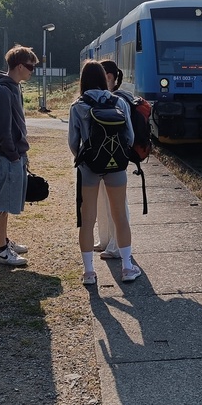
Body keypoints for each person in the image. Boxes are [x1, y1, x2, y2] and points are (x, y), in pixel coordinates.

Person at [69, 60, 140, 284]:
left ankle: (89, 273)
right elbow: (130, 137)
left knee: (88, 219)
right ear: (103, 78)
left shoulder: (78, 106)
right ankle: (127, 267)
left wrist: (85, 160)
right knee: (120, 217)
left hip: (89, 169)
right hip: (116, 167)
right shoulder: (119, 102)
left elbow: (73, 142)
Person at [0, 45, 38, 267]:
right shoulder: (2, 91)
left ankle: (4, 242)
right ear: (19, 67)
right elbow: (3, 130)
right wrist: (14, 156)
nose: (32, 71)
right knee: (1, 203)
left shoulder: (13, 88)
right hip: (5, 156)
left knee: (5, 203)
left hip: (11, 155)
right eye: (30, 67)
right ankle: (1, 250)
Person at [93, 60, 129, 260]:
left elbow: (129, 134)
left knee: (117, 204)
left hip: (114, 159)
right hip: (101, 158)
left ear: (108, 77)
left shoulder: (118, 100)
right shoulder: (98, 98)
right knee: (102, 200)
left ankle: (116, 245)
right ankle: (105, 239)